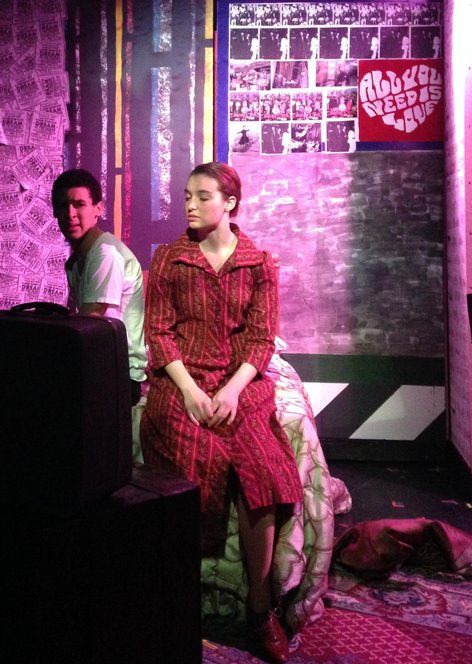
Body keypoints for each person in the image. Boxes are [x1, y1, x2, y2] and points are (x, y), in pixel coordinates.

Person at [140, 162, 303, 664]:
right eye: (187, 196)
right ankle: (174, 600)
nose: (190, 205)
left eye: (202, 196)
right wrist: (190, 391)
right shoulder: (169, 259)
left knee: (261, 465)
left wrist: (232, 391)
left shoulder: (259, 264)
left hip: (239, 382)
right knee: (194, 453)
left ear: (230, 203)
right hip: (181, 379)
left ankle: (261, 607)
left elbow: (260, 338)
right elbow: (159, 332)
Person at [51, 168, 147, 408]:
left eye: (79, 204)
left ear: (98, 209)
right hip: (100, 365)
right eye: (63, 206)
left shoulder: (105, 254)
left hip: (120, 374)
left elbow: (89, 323)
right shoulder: (75, 262)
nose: (70, 214)